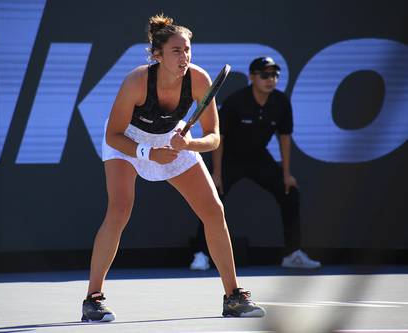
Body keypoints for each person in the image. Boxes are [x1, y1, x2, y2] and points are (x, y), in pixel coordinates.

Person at [81, 14, 265, 322]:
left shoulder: (200, 80)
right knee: (120, 210)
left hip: (173, 140)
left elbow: (214, 137)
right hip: (128, 142)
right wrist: (148, 152)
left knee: (213, 210)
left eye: (188, 49)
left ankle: (233, 296)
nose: (185, 57)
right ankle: (93, 299)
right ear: (157, 55)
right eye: (177, 51)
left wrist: (188, 146)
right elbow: (113, 134)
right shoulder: (137, 82)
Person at [189, 56, 321, 271]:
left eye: (275, 75)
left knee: (290, 192)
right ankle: (201, 254)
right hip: (229, 158)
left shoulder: (281, 102)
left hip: (259, 157)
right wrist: (217, 173)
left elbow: (284, 137)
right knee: (212, 198)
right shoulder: (236, 101)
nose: (271, 79)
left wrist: (287, 174)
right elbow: (218, 138)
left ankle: (292, 253)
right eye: (265, 75)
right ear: (252, 77)